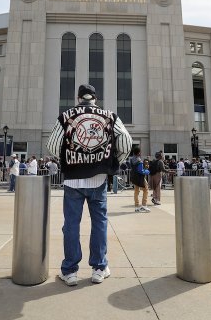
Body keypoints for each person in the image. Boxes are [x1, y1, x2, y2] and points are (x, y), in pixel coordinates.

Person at [47, 84, 132, 286]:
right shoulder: (109, 116)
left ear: (78, 98)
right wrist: (113, 162)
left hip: (73, 180)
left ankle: (70, 271)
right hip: (99, 179)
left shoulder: (66, 115)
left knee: (71, 225)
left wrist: (68, 160)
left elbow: (51, 145)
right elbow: (126, 142)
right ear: (95, 98)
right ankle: (99, 268)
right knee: (100, 223)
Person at [130, 146, 151, 212]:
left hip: (134, 177)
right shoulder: (139, 161)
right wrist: (147, 171)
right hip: (140, 178)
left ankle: (136, 207)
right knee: (146, 190)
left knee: (136, 191)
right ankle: (144, 205)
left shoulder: (131, 159)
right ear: (139, 153)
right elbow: (141, 171)